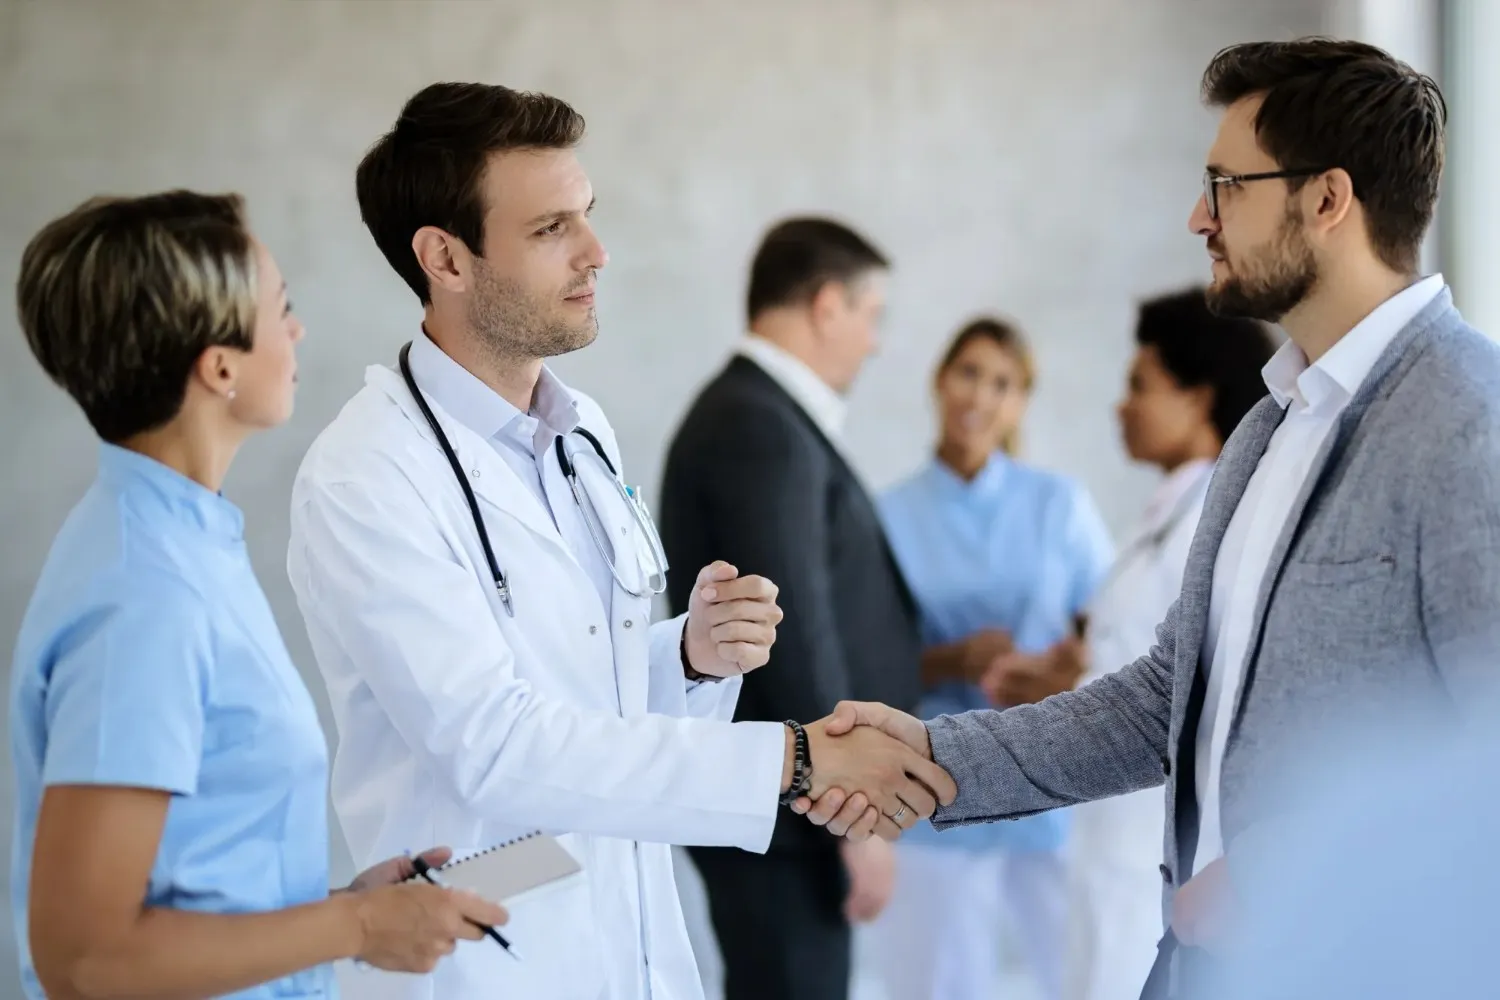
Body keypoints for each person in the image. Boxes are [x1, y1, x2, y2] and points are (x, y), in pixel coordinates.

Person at [796, 37, 1500, 997]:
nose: (1198, 217)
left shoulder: (1470, 417)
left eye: (1227, 186)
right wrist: (928, 752)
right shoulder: (1264, 430)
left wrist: (1273, 874)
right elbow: (1163, 697)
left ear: (1327, 199)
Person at [285, 84, 955, 1000]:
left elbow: (585, 678)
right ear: (445, 256)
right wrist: (791, 760)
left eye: (588, 217)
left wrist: (686, 654)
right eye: (551, 228)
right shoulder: (366, 474)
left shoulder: (582, 429)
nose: (597, 254)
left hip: (631, 937)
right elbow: (496, 744)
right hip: (484, 957)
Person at [9, 191, 506, 1000]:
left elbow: (190, 876)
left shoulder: (178, 540)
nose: (298, 331)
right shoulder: (146, 593)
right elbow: (86, 959)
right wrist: (358, 928)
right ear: (220, 367)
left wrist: (342, 909)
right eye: (283, 308)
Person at [658, 217, 923, 1000]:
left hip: (790, 807)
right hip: (790, 817)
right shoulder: (757, 424)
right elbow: (788, 625)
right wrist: (850, 813)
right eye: (873, 317)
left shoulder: (765, 415)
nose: (875, 344)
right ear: (828, 305)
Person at [869, 317, 1114, 1000]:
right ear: (939, 381)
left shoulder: (1058, 505)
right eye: (968, 373)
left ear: (1021, 402)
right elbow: (866, 658)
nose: (980, 395)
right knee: (936, 985)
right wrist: (951, 660)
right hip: (934, 782)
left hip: (1051, 778)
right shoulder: (885, 516)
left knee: (1092, 978)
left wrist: (1054, 670)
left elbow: (1111, 631)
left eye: (1003, 383)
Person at [1065, 289, 1276, 1000]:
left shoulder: (1213, 524)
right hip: (1107, 835)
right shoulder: (1162, 514)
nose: (1121, 405)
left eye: (1140, 386)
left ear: (1197, 398)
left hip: (1151, 847)